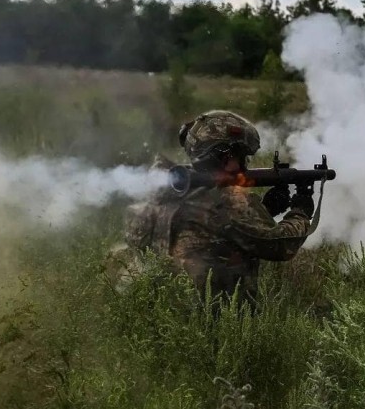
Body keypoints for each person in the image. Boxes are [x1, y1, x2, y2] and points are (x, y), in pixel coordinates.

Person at [123, 110, 316, 310]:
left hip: (164, 316)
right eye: (239, 156)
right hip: (215, 320)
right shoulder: (227, 201)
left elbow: (216, 233)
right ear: (223, 157)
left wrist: (265, 209)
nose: (243, 165)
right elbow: (280, 245)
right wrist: (300, 210)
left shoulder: (166, 192)